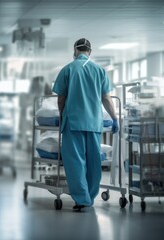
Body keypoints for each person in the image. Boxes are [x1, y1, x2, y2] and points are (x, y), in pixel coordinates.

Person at [52, 38, 119, 211]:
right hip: (94, 123)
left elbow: (61, 99)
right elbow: (106, 98)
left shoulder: (67, 69)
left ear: (75, 51)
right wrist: (115, 118)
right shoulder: (99, 71)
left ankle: (82, 199)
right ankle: (90, 196)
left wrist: (61, 115)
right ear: (90, 51)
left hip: (73, 122)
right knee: (94, 162)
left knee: (75, 162)